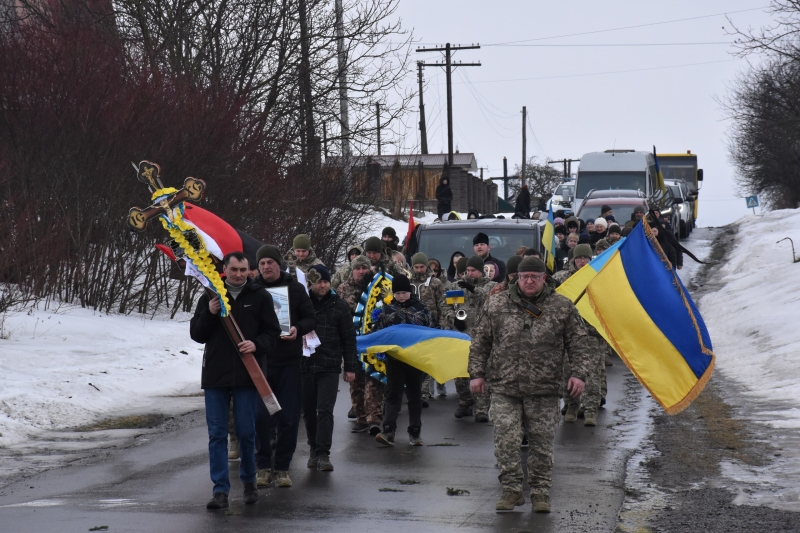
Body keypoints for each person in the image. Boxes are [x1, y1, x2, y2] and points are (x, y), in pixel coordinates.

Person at [468, 256, 592, 513]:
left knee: (541, 443)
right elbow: (480, 341)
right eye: (525, 277)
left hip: (544, 389)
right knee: (506, 440)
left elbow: (579, 343)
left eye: (535, 277)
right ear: (517, 278)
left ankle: (540, 491)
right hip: (504, 387)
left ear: (544, 279)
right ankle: (512, 490)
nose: (529, 281)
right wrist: (476, 374)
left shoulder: (561, 307)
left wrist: (579, 374)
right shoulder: (497, 304)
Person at [190, 252, 282, 510]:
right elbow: (196, 334)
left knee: (246, 431)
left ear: (248, 270)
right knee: (217, 434)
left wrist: (257, 344)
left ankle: (249, 483)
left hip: (247, 375)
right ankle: (220, 490)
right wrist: (209, 313)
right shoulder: (210, 296)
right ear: (225, 270)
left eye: (243, 270)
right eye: (234, 270)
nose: (239, 274)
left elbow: (273, 333)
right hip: (215, 376)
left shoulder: (261, 296)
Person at [253, 244, 318, 489]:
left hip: (290, 365)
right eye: (262, 263)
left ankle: (282, 468)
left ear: (279, 263)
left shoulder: (295, 288)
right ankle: (262, 467)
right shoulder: (253, 289)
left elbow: (311, 317)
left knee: (289, 418)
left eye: (270, 262)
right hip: (262, 365)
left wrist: (297, 329)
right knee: (262, 417)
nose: (266, 267)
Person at [303, 265, 358, 472]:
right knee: (308, 411)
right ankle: (313, 449)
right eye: (318, 282)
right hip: (305, 365)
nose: (323, 285)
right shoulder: (302, 304)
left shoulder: (339, 306)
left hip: (329, 366)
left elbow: (349, 338)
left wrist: (350, 367)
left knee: (325, 410)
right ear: (311, 283)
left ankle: (323, 453)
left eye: (325, 281)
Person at [374, 274, 437, 446]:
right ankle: (388, 431)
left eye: (404, 292)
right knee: (393, 395)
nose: (401, 296)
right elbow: (378, 333)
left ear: (410, 291)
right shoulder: (387, 312)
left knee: (414, 395)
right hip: (395, 360)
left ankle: (415, 432)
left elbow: (433, 330)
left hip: (416, 360)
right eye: (398, 293)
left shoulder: (422, 309)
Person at [442, 255, 496, 422]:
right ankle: (465, 403)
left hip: (483, 336)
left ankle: (481, 407)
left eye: (473, 271)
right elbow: (446, 305)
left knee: (480, 372)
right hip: (462, 334)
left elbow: (491, 301)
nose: (470, 273)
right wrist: (453, 318)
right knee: (461, 372)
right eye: (468, 270)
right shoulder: (456, 286)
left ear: (481, 271)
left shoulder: (491, 286)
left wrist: (474, 290)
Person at [336, 256, 376, 433]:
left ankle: (374, 417)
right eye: (358, 268)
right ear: (352, 270)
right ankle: (361, 417)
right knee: (355, 381)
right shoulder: (343, 289)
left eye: (364, 268)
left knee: (374, 381)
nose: (361, 271)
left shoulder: (375, 288)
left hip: (373, 341)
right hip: (351, 342)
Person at [409, 253, 446, 404]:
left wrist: (442, 323)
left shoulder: (435, 283)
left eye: (421, 267)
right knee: (414, 361)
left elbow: (442, 304)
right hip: (411, 326)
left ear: (427, 267)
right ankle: (414, 391)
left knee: (427, 360)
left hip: (431, 326)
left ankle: (424, 394)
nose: (419, 270)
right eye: (416, 267)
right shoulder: (408, 282)